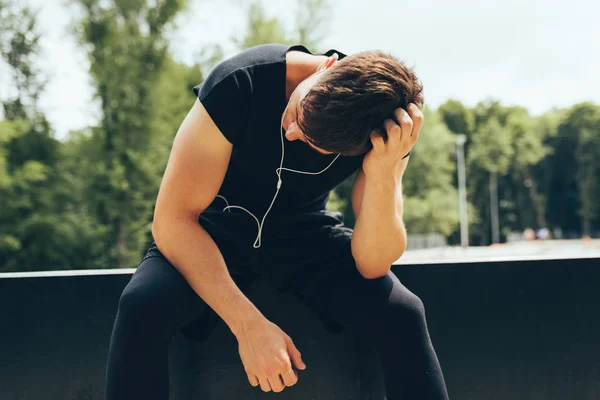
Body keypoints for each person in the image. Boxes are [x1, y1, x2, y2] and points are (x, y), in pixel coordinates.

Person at [105, 43, 449, 400]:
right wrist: (248, 325)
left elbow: (373, 262)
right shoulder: (240, 83)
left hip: (303, 233)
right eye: (302, 111)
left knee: (403, 313)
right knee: (142, 305)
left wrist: (384, 171)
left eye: (314, 142)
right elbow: (172, 221)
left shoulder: (386, 129)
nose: (293, 133)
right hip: (215, 229)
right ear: (326, 68)